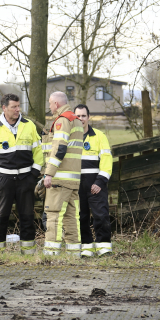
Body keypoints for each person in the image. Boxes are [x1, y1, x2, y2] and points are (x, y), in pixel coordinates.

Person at [0, 93, 44, 254]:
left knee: (27, 216)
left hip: (25, 179)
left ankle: (28, 252)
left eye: (18, 106)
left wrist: (33, 174)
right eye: (14, 107)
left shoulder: (29, 125)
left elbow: (38, 152)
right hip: (3, 180)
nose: (18, 109)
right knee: (0, 217)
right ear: (4, 108)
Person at [42, 91, 84, 256]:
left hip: (60, 178)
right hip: (73, 179)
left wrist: (49, 174)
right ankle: (74, 253)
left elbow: (60, 148)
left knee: (53, 214)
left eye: (50, 103)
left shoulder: (62, 121)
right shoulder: (76, 121)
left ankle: (51, 253)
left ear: (56, 104)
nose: (50, 107)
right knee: (71, 217)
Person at [73, 105, 113, 257]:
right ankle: (87, 248)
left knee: (101, 215)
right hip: (76, 184)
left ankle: (104, 248)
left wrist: (100, 182)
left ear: (88, 117)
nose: (81, 119)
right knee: (80, 217)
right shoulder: (70, 137)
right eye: (78, 116)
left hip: (95, 184)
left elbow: (107, 162)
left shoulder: (99, 136)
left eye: (83, 116)